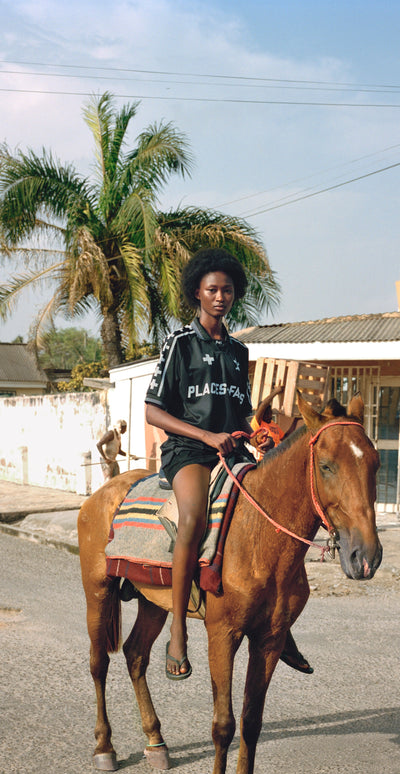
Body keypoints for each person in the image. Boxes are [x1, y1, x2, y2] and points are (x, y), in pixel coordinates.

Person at [145, 248, 312, 679]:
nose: (221, 297)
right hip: (189, 451)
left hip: (234, 450)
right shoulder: (179, 344)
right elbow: (153, 411)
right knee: (194, 518)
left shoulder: (239, 352)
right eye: (212, 290)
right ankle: (179, 630)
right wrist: (203, 435)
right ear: (196, 294)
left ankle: (279, 622)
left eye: (228, 291)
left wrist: (255, 429)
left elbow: (240, 411)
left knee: (275, 520)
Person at [250, 383, 300, 458]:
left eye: (269, 411)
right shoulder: (257, 423)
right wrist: (275, 392)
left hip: (273, 457)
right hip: (262, 459)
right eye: (265, 412)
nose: (268, 414)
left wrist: (296, 421)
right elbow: (263, 406)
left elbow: (285, 437)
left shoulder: (274, 425)